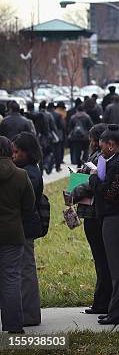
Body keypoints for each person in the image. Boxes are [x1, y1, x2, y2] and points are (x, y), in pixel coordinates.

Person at [89, 124, 119, 325]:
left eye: (101, 147)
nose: (100, 150)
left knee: (118, 268)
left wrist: (93, 179)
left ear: (110, 145)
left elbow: (108, 193)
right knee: (118, 266)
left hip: (117, 219)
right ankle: (116, 309)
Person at [71, 123, 112, 315]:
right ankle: (105, 299)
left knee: (101, 259)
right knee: (105, 258)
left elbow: (90, 184)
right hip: (101, 213)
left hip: (93, 214)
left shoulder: (97, 158)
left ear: (96, 140)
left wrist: (74, 186)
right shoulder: (105, 156)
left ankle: (102, 302)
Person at [0, 135, 35, 333]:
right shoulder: (21, 175)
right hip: (13, 233)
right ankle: (14, 326)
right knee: (11, 278)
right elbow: (29, 206)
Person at [11, 133, 44, 327]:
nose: (13, 155)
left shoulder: (29, 173)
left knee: (26, 270)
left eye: (17, 152)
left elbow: (24, 202)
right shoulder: (26, 169)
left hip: (25, 226)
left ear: (27, 152)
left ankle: (30, 314)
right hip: (23, 225)